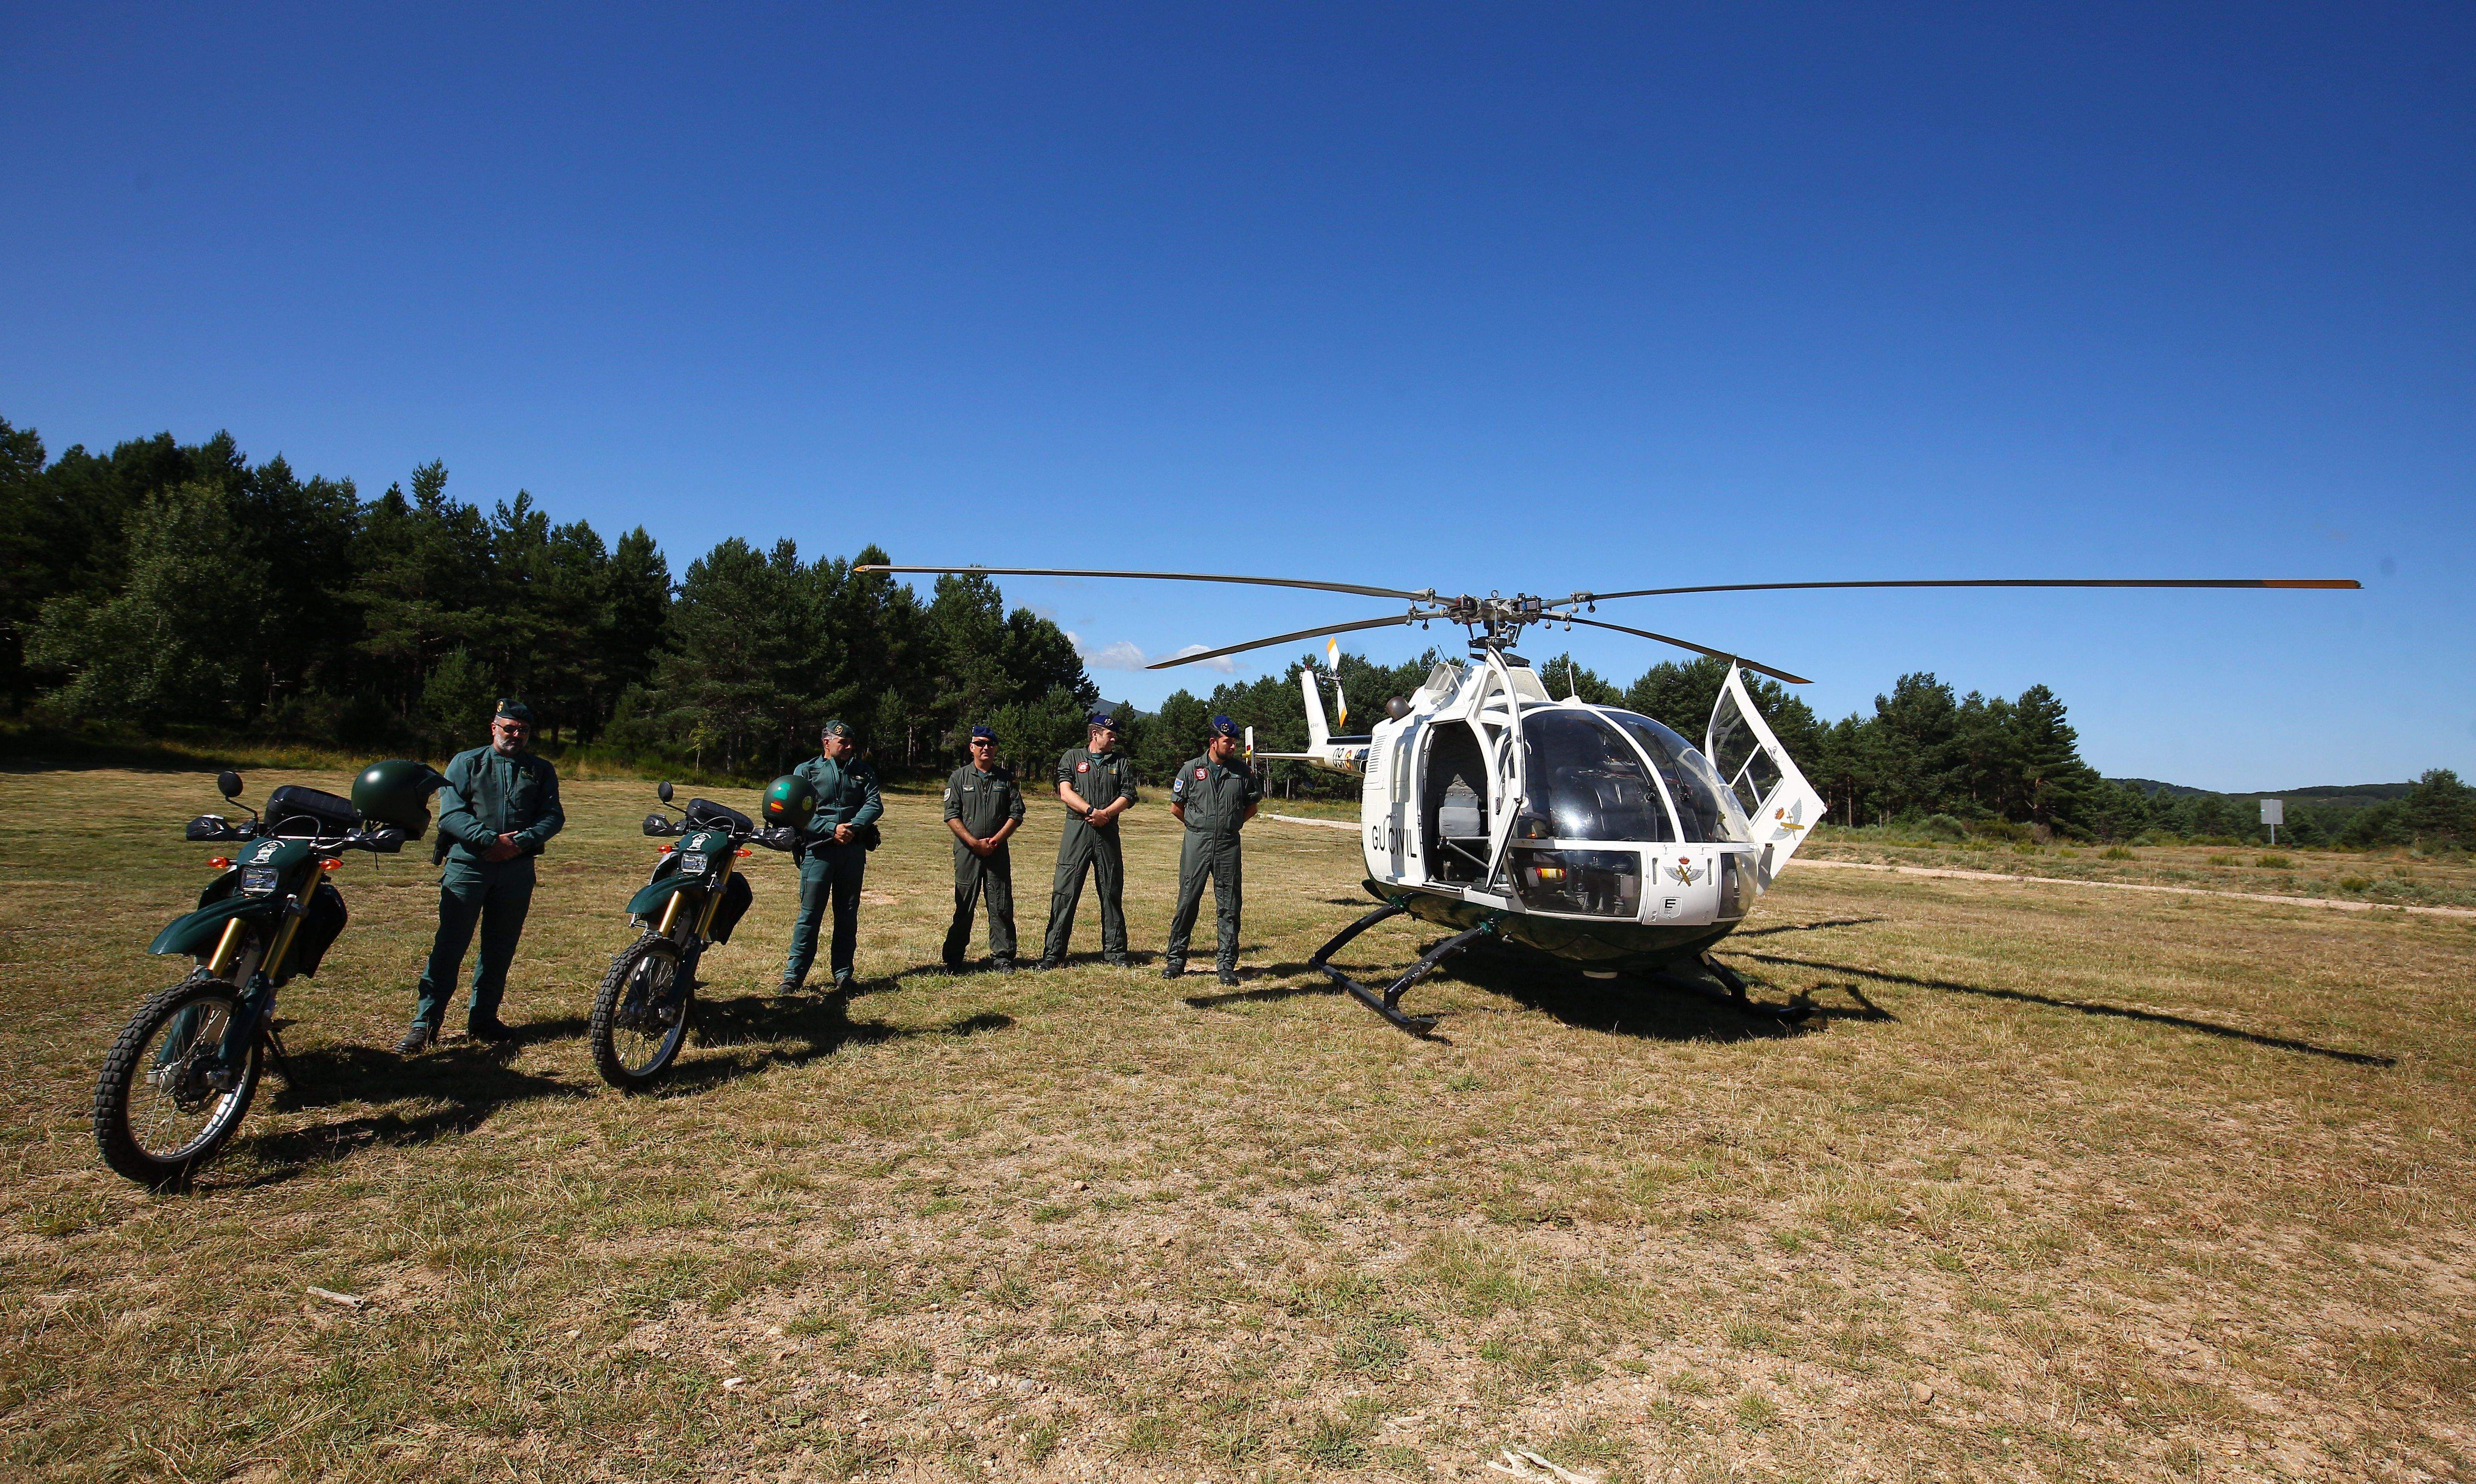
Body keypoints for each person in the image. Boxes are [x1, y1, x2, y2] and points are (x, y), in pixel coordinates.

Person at [400, 699, 565, 1051]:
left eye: (523, 730)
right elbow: (452, 815)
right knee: (449, 945)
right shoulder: (466, 762)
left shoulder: (539, 768)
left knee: (499, 948)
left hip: (517, 870)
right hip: (469, 867)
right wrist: (489, 840)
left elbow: (553, 816)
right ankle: (424, 1024)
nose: (516, 735)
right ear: (494, 727)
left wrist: (520, 842)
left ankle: (484, 1020)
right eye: (509, 728)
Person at [781, 720, 884, 993]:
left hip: (852, 851)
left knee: (847, 915)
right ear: (826, 743)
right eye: (843, 743)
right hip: (819, 850)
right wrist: (830, 829)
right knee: (810, 914)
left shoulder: (863, 771)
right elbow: (795, 809)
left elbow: (874, 804)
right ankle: (793, 975)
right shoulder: (807, 771)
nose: (849, 747)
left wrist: (852, 828)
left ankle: (843, 974)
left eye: (851, 742)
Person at [1162, 714, 1262, 986]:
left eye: (1234, 743)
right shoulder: (1191, 770)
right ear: (1213, 742)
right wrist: (1199, 826)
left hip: (1228, 844)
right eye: (1228, 742)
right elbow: (1176, 807)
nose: (1233, 747)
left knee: (1229, 904)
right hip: (1197, 843)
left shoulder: (1242, 773)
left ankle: (1227, 964)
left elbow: (1252, 806)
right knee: (1188, 900)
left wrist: (1229, 824)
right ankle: (1176, 960)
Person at [1038, 711, 1140, 969]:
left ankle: (1116, 954)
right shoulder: (1072, 758)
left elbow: (1128, 795)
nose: (1114, 740)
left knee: (1111, 891)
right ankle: (1053, 954)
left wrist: (1106, 814)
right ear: (1095, 734)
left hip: (1108, 832)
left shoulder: (1120, 762)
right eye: (1110, 735)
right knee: (1065, 891)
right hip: (1078, 831)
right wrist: (1090, 811)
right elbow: (1065, 792)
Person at [942, 724, 1026, 972]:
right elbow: (951, 815)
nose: (985, 748)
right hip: (968, 852)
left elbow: (1017, 814)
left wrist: (997, 840)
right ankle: (954, 959)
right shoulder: (959, 778)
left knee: (1000, 903)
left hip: (997, 851)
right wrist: (973, 843)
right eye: (980, 744)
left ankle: (1003, 957)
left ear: (996, 748)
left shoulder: (1006, 779)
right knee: (964, 903)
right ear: (972, 748)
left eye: (990, 744)